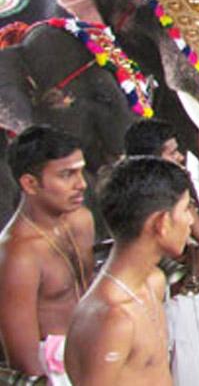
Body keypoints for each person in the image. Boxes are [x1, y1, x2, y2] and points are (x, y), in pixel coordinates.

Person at [65, 156, 194, 385]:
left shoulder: (154, 281)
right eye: (185, 209)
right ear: (161, 223)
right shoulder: (111, 319)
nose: (191, 221)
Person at [124, 120, 199, 386]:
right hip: (180, 301)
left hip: (145, 303)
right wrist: (192, 282)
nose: (179, 157)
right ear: (152, 158)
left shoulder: (124, 198)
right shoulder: (174, 198)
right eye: (172, 152)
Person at [0, 127, 93, 383]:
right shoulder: (18, 254)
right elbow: (24, 360)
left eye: (81, 171)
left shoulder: (82, 220)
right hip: (55, 373)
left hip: (99, 353)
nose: (81, 184)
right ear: (30, 183)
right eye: (67, 175)